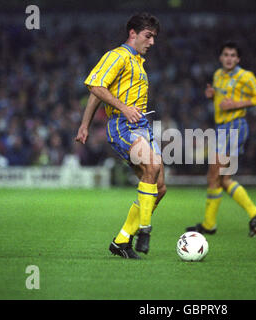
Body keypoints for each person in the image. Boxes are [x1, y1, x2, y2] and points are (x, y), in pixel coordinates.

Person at [75, 12, 166, 259]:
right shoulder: (117, 56)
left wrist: (85, 124)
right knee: (153, 164)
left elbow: (99, 92)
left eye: (154, 37)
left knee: (159, 187)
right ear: (133, 33)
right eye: (148, 36)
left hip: (142, 126)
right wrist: (122, 108)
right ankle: (145, 229)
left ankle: (121, 241)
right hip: (122, 125)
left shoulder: (137, 61)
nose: (152, 42)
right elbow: (95, 86)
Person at [186, 41, 256, 237]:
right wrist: (211, 96)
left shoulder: (245, 76)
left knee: (213, 176)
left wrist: (236, 104)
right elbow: (221, 100)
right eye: (226, 54)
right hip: (223, 128)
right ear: (220, 57)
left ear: (238, 59)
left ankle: (209, 225)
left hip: (235, 126)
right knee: (223, 179)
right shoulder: (217, 75)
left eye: (233, 55)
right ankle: (254, 213)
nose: (229, 58)